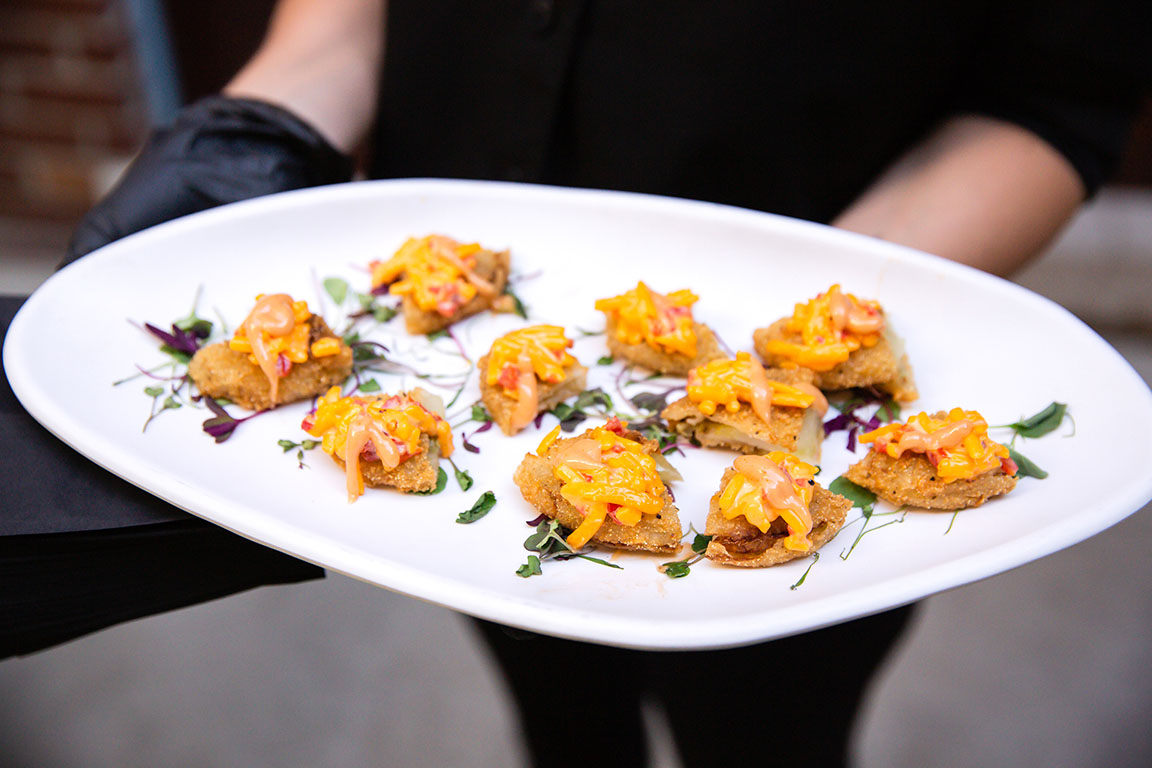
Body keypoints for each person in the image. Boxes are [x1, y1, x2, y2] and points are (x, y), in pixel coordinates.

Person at [45, 0, 1150, 766]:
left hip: (834, 242)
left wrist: (807, 331)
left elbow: (1050, 97)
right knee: (550, 696)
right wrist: (253, 132)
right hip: (470, 373)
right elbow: (339, 24)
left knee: (770, 733)